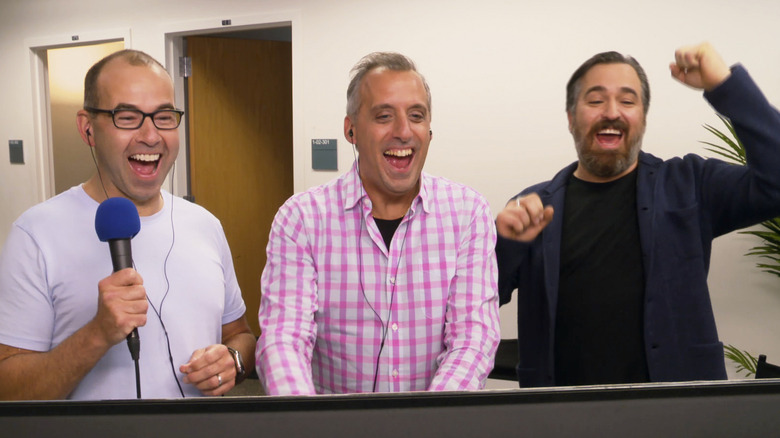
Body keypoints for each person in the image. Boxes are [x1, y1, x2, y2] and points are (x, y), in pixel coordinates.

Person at [496, 42, 780, 388]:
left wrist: (725, 85)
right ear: (571, 119)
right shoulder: (532, 209)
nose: (612, 112)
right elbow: (472, 304)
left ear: (643, 117)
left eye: (628, 101)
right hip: (562, 417)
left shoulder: (690, 185)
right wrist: (503, 244)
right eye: (596, 100)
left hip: (678, 416)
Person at [0, 49, 255, 400]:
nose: (150, 136)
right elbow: (8, 390)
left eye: (164, 117)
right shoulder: (35, 234)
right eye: (127, 117)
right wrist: (96, 335)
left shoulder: (205, 225)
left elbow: (240, 334)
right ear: (87, 128)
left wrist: (233, 361)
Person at [257, 52, 500, 395]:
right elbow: (284, 340)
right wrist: (306, 422)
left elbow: (473, 338)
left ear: (429, 129)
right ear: (351, 129)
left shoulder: (468, 213)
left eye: (416, 116)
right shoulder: (301, 219)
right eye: (384, 116)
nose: (403, 132)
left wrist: (430, 421)